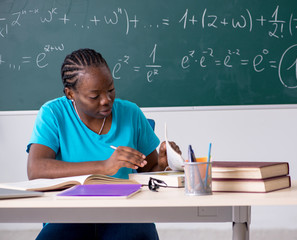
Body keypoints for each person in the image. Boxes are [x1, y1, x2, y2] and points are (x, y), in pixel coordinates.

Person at [26, 48, 181, 240]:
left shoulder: (131, 114)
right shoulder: (53, 114)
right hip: (68, 215)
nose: (106, 100)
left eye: (110, 89)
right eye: (94, 96)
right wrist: (104, 166)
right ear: (70, 94)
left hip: (125, 214)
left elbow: (149, 172)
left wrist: (165, 165)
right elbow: (36, 169)